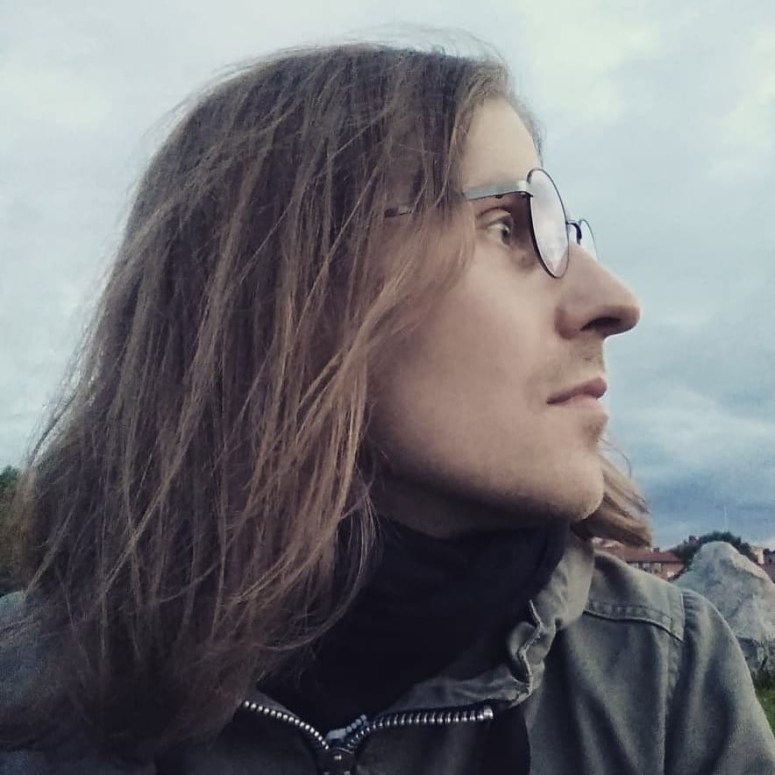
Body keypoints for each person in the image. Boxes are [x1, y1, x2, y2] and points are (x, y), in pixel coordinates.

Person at [1, 42, 773, 775]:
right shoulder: (24, 698)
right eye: (506, 226)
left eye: (563, 233)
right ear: (283, 291)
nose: (616, 301)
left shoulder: (665, 678)